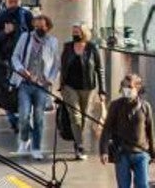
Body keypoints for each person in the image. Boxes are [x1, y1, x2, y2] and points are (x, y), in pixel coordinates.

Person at [10, 14, 59, 159]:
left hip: (41, 86)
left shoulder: (52, 42)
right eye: (36, 26)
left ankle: (36, 147)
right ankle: (24, 140)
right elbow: (15, 56)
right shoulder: (25, 38)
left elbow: (56, 64)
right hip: (25, 83)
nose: (38, 29)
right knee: (24, 115)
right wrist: (20, 70)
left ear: (47, 27)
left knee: (38, 118)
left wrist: (50, 79)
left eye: (41, 26)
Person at [0, 0, 34, 133]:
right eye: (10, 2)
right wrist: (5, 33)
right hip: (7, 60)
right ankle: (13, 119)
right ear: (5, 2)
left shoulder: (26, 15)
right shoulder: (0, 17)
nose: (13, 4)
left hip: (25, 60)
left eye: (16, 1)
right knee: (9, 91)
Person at [100, 74, 155, 186]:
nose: (127, 90)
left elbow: (150, 131)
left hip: (141, 154)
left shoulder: (145, 106)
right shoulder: (115, 106)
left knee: (143, 184)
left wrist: (153, 153)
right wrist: (104, 151)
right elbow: (107, 129)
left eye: (130, 87)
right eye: (124, 86)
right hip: (122, 153)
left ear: (137, 88)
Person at [61, 22, 106, 160]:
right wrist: (61, 85)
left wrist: (102, 90)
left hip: (88, 87)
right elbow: (62, 66)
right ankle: (79, 145)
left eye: (77, 31)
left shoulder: (92, 48)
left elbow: (100, 69)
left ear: (84, 33)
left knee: (84, 116)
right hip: (70, 87)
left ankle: (79, 141)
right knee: (75, 117)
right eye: (73, 31)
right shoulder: (67, 47)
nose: (75, 33)